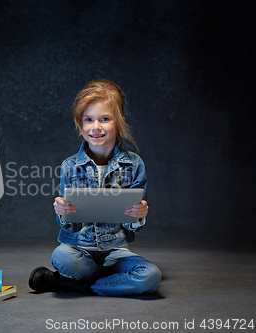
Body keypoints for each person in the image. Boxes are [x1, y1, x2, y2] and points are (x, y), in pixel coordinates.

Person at [28, 79, 162, 296]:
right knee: (62, 256)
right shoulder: (70, 166)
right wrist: (62, 213)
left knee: (150, 276)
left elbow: (131, 226)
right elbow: (69, 228)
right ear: (80, 125)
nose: (96, 127)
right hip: (79, 249)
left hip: (115, 252)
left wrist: (139, 215)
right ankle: (107, 282)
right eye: (88, 119)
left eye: (105, 119)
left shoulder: (134, 164)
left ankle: (70, 284)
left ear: (118, 123)